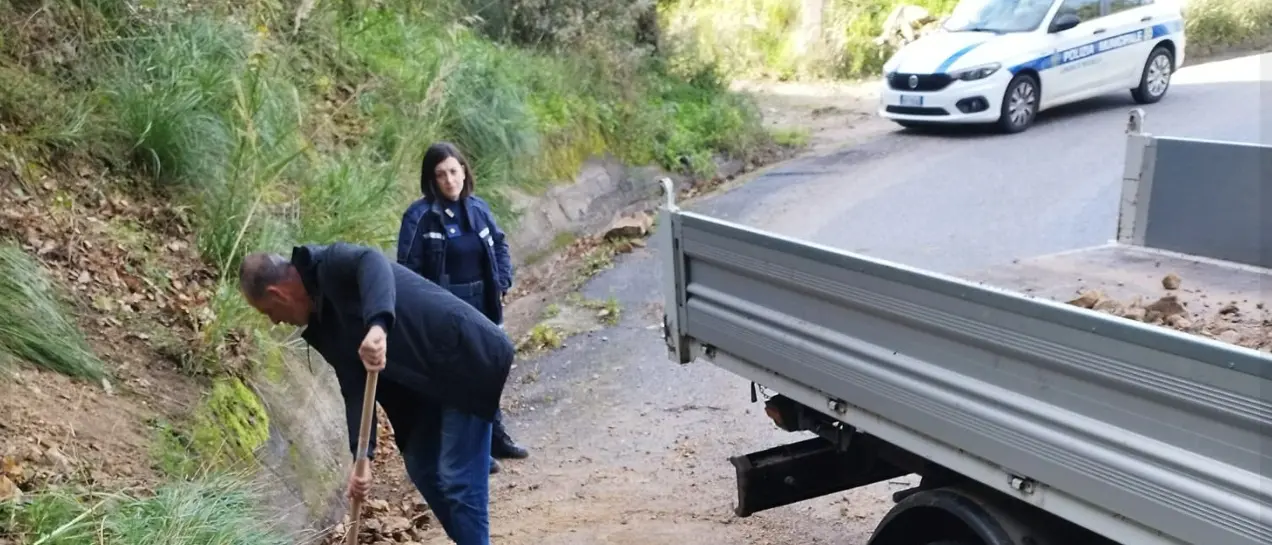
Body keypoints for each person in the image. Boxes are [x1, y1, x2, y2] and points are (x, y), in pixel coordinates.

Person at [238, 242, 514, 545]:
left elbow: (372, 262)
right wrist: (362, 458)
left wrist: (378, 326)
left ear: (277, 294)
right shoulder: (322, 325)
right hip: (423, 390)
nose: (275, 321)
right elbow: (354, 389)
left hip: (464, 358)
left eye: (269, 312)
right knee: (423, 468)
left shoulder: (330, 263)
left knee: (457, 478)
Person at [396, 142, 529, 473]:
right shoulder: (419, 217)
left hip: (483, 301)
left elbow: (499, 244)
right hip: (447, 308)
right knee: (460, 379)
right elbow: (408, 270)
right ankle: (473, 452)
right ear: (431, 179)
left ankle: (496, 437)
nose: (449, 180)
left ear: (465, 172)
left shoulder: (478, 208)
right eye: (441, 175)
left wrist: (503, 280)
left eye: (454, 172)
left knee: (490, 368)